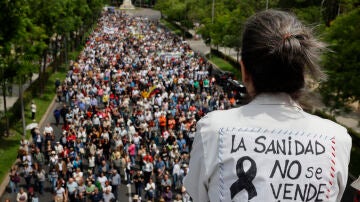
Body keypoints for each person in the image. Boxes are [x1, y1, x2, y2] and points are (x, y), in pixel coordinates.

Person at [184, 9, 352, 202]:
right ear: (302, 74)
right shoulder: (336, 139)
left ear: (244, 70)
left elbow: (198, 196)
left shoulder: (212, 130)